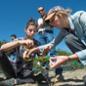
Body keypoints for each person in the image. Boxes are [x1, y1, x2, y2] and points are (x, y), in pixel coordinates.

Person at [37, 6, 64, 81]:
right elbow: (38, 27)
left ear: (44, 10)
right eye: (39, 11)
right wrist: (43, 22)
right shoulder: (39, 19)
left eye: (41, 10)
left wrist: (47, 21)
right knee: (42, 53)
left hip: (49, 32)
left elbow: (52, 25)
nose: (40, 11)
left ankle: (58, 73)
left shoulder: (49, 16)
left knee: (53, 51)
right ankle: (44, 74)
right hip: (40, 34)